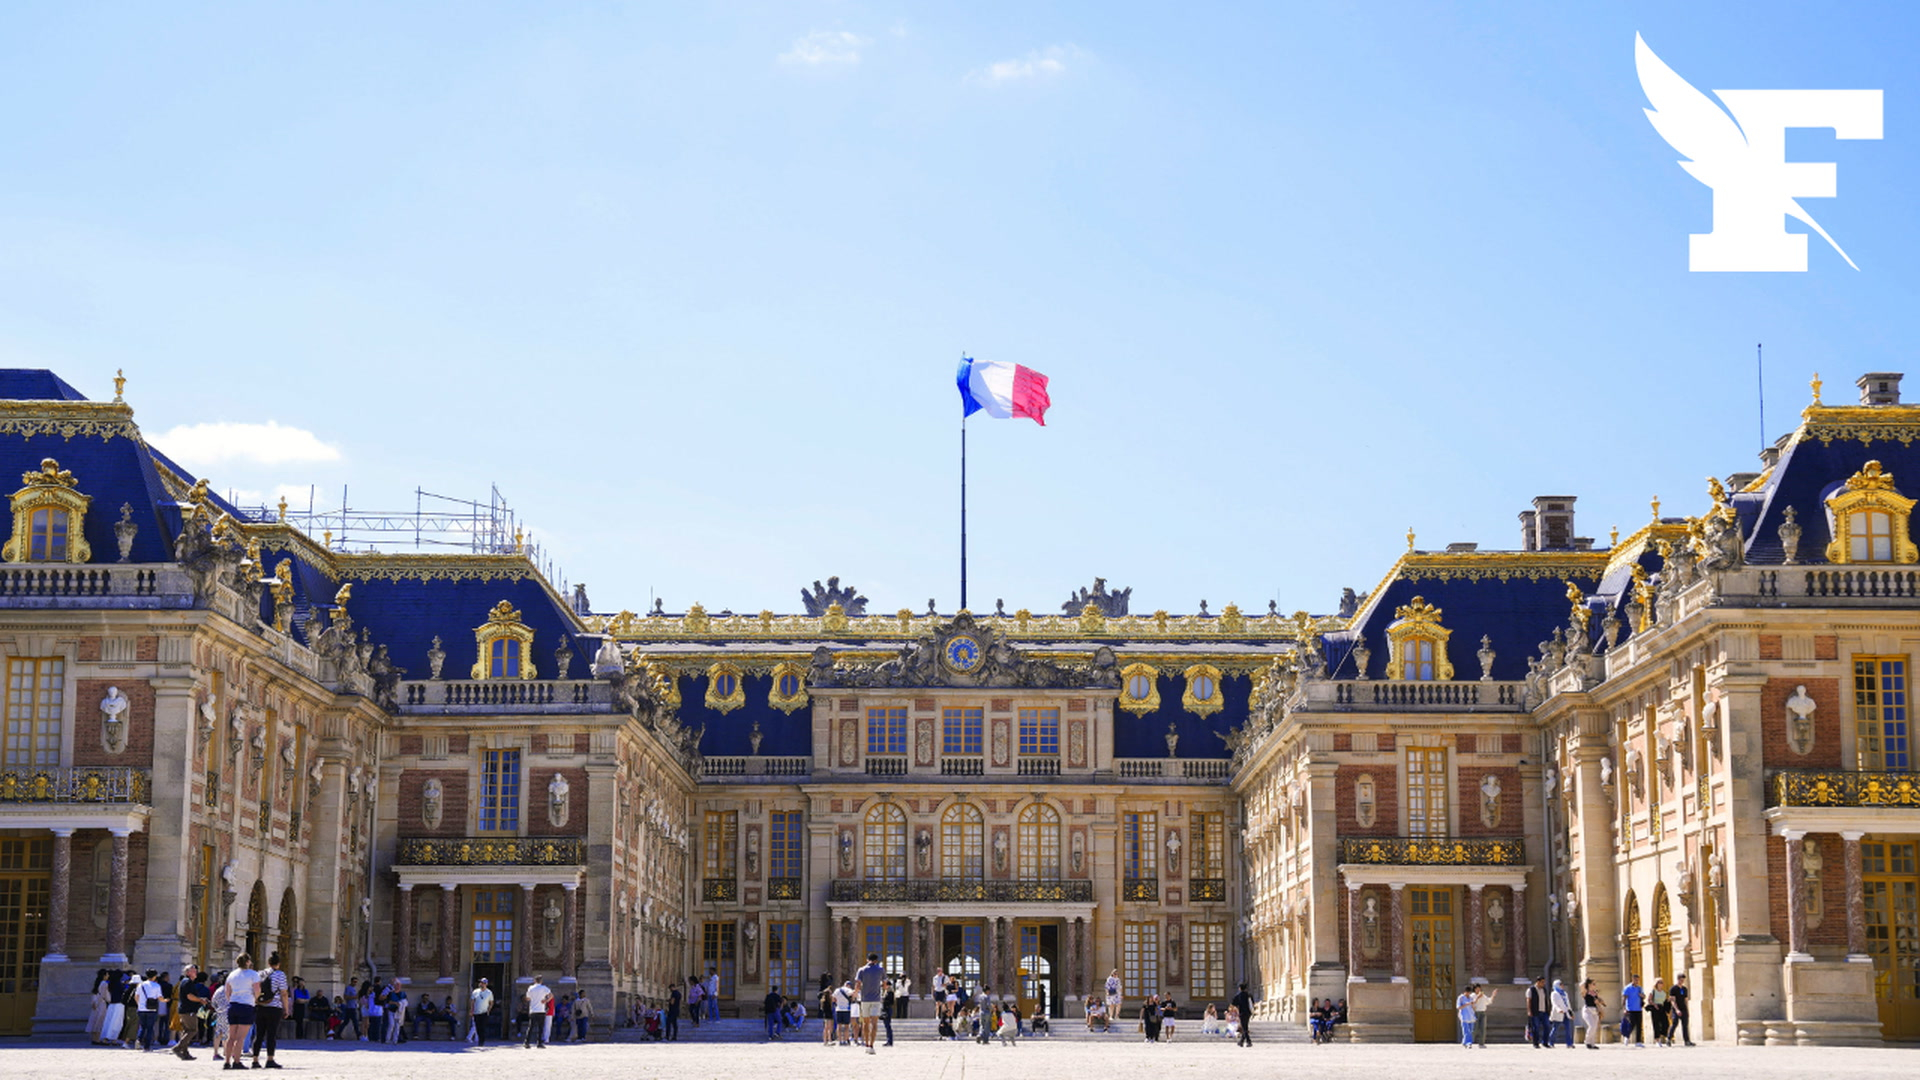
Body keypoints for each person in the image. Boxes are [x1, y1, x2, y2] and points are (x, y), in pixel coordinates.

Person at [250, 953, 290, 1069]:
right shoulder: (280, 974)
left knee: (259, 1034)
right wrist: (286, 1008)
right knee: (271, 1034)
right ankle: (270, 1059)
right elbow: (284, 993)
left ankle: (255, 1060)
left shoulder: (260, 973)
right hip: (274, 1007)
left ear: (268, 963)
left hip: (260, 1006)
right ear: (279, 964)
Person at [223, 954, 262, 1071]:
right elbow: (257, 989)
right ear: (248, 962)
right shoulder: (253, 974)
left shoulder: (232, 974)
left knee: (231, 1037)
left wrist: (232, 1000)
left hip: (233, 1005)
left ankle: (227, 1062)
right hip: (246, 1005)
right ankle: (237, 1061)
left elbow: (227, 991)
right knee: (241, 1037)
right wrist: (255, 999)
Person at [173, 965, 207, 1059]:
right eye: (193, 971)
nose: (195, 972)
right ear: (187, 973)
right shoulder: (187, 982)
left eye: (195, 970)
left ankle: (185, 1053)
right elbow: (189, 996)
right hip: (188, 1010)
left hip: (184, 1009)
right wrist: (200, 1000)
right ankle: (178, 1047)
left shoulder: (187, 982)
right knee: (193, 1030)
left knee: (186, 1031)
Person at [856, 952, 885, 1053]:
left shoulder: (862, 970)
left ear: (867, 959)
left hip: (865, 999)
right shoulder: (881, 970)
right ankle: (872, 1045)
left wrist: (856, 994)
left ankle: (867, 1044)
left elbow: (858, 984)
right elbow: (885, 984)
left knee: (865, 1022)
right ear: (877, 961)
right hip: (876, 999)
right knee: (874, 1023)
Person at [524, 975, 553, 1048]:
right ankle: (539, 1043)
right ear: (541, 981)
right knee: (540, 1028)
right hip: (541, 1010)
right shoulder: (544, 988)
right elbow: (551, 995)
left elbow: (527, 998)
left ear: (534, 981)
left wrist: (533, 999)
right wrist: (546, 1001)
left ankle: (527, 1042)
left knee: (531, 1027)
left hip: (533, 1010)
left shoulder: (531, 988)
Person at [1620, 975, 1645, 1047]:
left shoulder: (1640, 988)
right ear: (1632, 979)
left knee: (1639, 1025)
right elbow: (1624, 999)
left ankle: (1638, 1041)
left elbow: (1644, 996)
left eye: (1638, 980)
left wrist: (1642, 995)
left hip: (1638, 1009)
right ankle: (1627, 1037)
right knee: (1632, 1024)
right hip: (1630, 1009)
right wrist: (1624, 1009)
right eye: (1636, 980)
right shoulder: (1628, 988)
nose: (1637, 981)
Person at [1549, 979, 1575, 1048]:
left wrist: (1571, 1013)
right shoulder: (1554, 993)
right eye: (1561, 984)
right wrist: (1558, 1009)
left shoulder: (1565, 993)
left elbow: (1568, 1004)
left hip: (1566, 1013)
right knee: (1555, 1028)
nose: (1562, 986)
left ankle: (1569, 1043)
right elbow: (1554, 1003)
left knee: (1568, 1029)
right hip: (1559, 1013)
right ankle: (1551, 1042)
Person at [1670, 974, 1694, 1046]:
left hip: (1683, 1009)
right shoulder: (1673, 989)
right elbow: (1672, 1000)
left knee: (1685, 1025)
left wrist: (1687, 1010)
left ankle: (1687, 1041)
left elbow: (1686, 1000)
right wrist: (1677, 1010)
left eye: (1683, 980)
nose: (1682, 981)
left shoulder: (1684, 989)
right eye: (1681, 980)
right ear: (1678, 979)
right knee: (1675, 1024)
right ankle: (1669, 1038)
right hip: (1676, 1009)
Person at [470, 977, 494, 1047]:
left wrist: (488, 1010)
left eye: (483, 983)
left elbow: (491, 1002)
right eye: (480, 983)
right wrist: (471, 1010)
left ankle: (482, 1041)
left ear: (486, 984)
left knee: (483, 1027)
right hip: (476, 1012)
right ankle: (480, 1039)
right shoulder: (475, 992)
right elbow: (472, 1001)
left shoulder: (489, 993)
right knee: (478, 1027)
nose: (481, 984)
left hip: (484, 1012)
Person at [1581, 979, 1604, 1050]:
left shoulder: (1595, 993)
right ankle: (1587, 1041)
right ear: (1589, 985)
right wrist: (1586, 981)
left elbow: (1597, 1003)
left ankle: (1592, 1043)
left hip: (1595, 1011)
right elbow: (1581, 985)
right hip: (1587, 1010)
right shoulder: (1586, 992)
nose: (1595, 985)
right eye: (1593, 984)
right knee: (1591, 1026)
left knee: (1594, 1027)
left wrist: (1601, 1010)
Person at [1526, 976, 1548, 1048]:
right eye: (1542, 982)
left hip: (1544, 1011)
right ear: (1538, 982)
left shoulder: (1544, 990)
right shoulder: (1531, 990)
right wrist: (1529, 1011)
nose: (1543, 984)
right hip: (1535, 1011)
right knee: (1536, 1028)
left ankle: (1545, 1042)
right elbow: (1528, 1000)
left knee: (1547, 1026)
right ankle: (1536, 1043)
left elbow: (1546, 1000)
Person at [384, 978, 408, 1044]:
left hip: (399, 1011)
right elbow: (388, 1001)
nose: (398, 986)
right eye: (397, 984)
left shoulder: (403, 993)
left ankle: (395, 1040)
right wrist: (395, 1003)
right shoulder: (391, 993)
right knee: (391, 1024)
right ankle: (387, 1039)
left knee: (397, 1026)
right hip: (391, 1010)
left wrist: (402, 1004)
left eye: (399, 985)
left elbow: (405, 1001)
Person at [1231, 983, 1255, 1047]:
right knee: (1245, 1027)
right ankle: (1241, 1041)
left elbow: (1233, 1003)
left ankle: (1248, 1041)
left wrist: (1237, 1010)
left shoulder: (1238, 995)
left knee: (1244, 1028)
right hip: (1248, 1013)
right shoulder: (1249, 995)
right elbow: (1253, 1003)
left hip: (1242, 1013)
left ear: (1240, 988)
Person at [1649, 977, 1670, 1047]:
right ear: (1656, 984)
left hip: (1661, 1008)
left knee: (1666, 1023)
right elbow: (1649, 1000)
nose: (1661, 984)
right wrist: (1654, 1005)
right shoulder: (1653, 991)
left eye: (1662, 982)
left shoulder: (1664, 993)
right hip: (1655, 1008)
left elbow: (1664, 1001)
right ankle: (1657, 1040)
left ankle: (1662, 1035)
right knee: (1656, 1024)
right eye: (1659, 982)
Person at [880, 979, 896, 1047]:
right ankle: (888, 1040)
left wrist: (884, 1000)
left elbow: (891, 1002)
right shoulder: (886, 992)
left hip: (887, 1009)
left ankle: (890, 1040)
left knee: (888, 1026)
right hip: (885, 1009)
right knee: (887, 1026)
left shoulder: (890, 993)